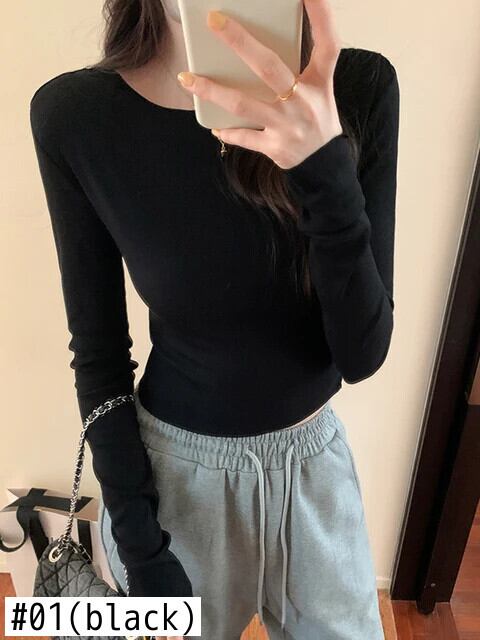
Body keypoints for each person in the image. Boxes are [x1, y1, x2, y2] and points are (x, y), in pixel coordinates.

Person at [29, 0, 399, 637]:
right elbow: (98, 354)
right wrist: (141, 547)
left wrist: (323, 165)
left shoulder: (357, 87)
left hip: (314, 472)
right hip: (173, 486)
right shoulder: (76, 115)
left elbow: (362, 355)